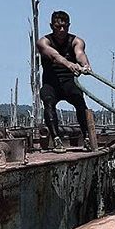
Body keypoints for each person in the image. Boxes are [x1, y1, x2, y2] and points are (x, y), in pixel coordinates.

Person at [36, 11, 92, 153]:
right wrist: (69, 64)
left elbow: (80, 54)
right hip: (51, 83)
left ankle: (87, 137)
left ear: (69, 26)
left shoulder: (76, 41)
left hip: (69, 83)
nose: (61, 30)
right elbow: (54, 56)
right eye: (57, 27)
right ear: (51, 26)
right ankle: (56, 139)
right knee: (47, 100)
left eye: (65, 27)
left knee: (80, 101)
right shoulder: (43, 42)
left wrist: (85, 65)